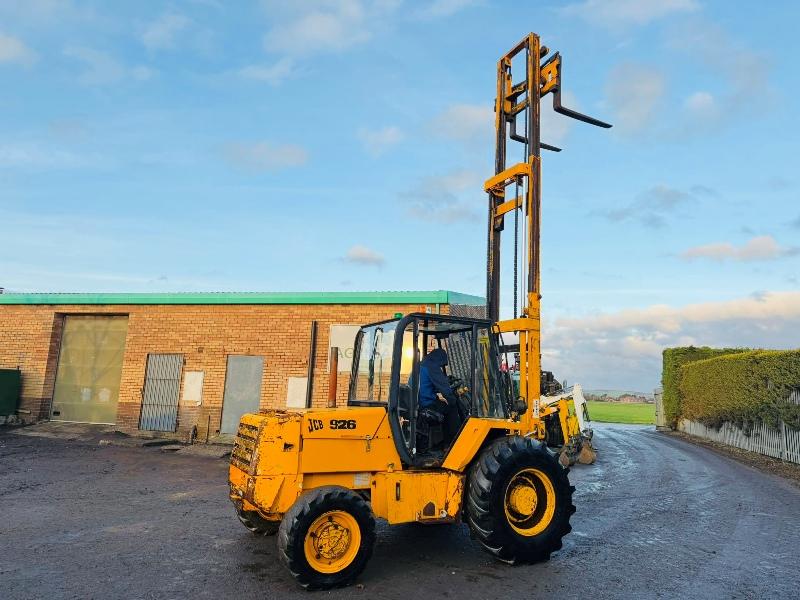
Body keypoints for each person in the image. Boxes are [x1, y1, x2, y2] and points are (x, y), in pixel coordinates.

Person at [418, 348, 465, 445]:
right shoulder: (431, 367)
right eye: (441, 364)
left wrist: (446, 380)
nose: (441, 366)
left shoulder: (422, 365)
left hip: (420, 402)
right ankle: (451, 443)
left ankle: (445, 441)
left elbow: (431, 383)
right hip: (426, 404)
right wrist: (452, 399)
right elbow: (445, 389)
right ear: (439, 359)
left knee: (444, 405)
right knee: (452, 408)